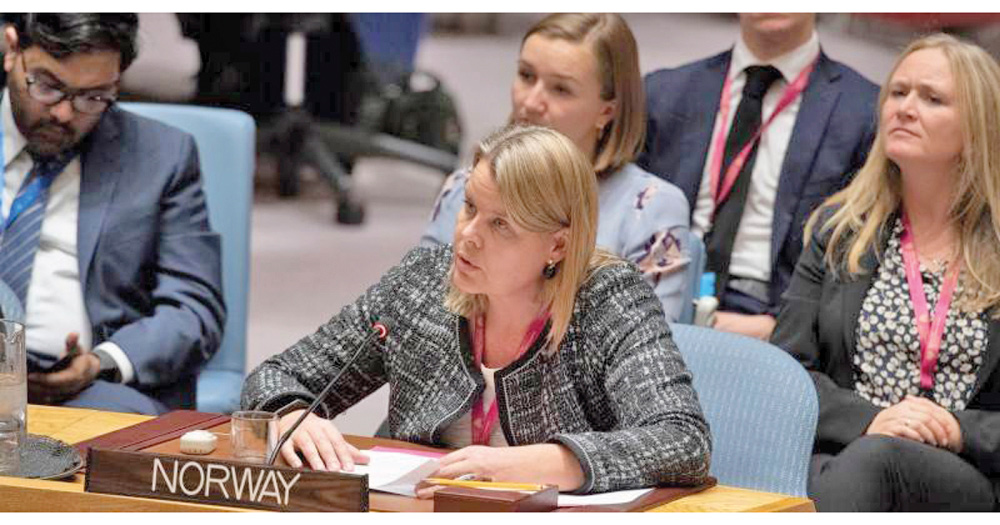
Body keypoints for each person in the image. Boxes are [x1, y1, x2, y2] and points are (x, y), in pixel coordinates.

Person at [242, 124, 711, 496]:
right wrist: (290, 414)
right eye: (469, 207)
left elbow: (683, 440)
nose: (468, 235)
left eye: (501, 224)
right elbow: (276, 376)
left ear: (558, 244)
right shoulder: (422, 282)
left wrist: (553, 461)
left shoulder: (610, 299)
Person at [771, 34, 1000, 511]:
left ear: (978, 125)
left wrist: (959, 427)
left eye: (932, 98)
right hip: (850, 450)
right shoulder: (839, 233)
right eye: (898, 93)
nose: (905, 108)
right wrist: (871, 418)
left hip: (967, 472)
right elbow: (786, 369)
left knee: (872, 463)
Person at [0, 14, 225, 414]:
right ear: (12, 48)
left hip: (89, 394)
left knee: (122, 448)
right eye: (48, 86)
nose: (65, 114)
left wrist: (100, 362)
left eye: (93, 97)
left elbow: (193, 311)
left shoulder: (163, 157)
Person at [422, 14, 691, 323]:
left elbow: (646, 351)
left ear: (607, 111)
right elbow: (417, 307)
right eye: (526, 75)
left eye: (560, 89)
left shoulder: (650, 209)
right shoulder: (465, 187)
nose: (531, 101)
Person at [640, 14, 878, 338]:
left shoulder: (865, 112)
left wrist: (781, 326)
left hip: (777, 319)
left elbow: (861, 252)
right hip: (660, 302)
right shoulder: (663, 93)